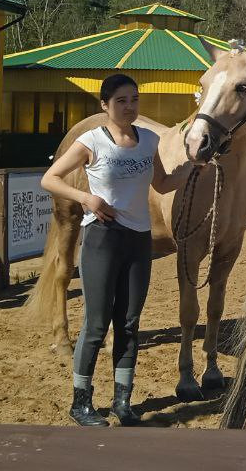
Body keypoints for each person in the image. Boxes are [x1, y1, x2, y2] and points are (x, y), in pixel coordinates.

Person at [42, 73, 196, 427]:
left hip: (138, 241)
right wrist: (86, 197)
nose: (129, 107)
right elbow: (50, 178)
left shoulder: (148, 142)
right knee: (96, 325)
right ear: (105, 106)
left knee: (129, 324)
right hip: (102, 237)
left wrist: (190, 170)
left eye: (134, 100)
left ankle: (122, 401)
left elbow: (161, 182)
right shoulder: (90, 141)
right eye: (121, 101)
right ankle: (81, 403)